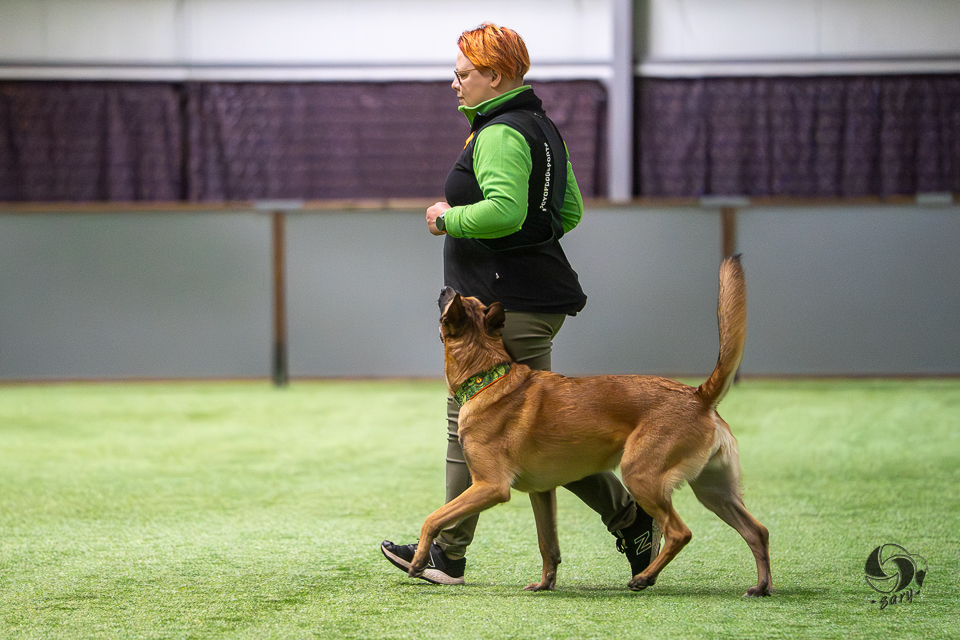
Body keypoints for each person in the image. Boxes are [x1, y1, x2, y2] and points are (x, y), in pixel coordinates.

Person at [381, 22, 659, 586]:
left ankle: (448, 555)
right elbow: (570, 213)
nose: (454, 83)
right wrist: (526, 233)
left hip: (509, 305)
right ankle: (629, 522)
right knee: (542, 438)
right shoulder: (540, 127)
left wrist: (446, 219)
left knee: (478, 426)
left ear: (495, 75)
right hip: (529, 296)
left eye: (462, 74)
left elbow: (505, 212)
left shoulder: (502, 133)